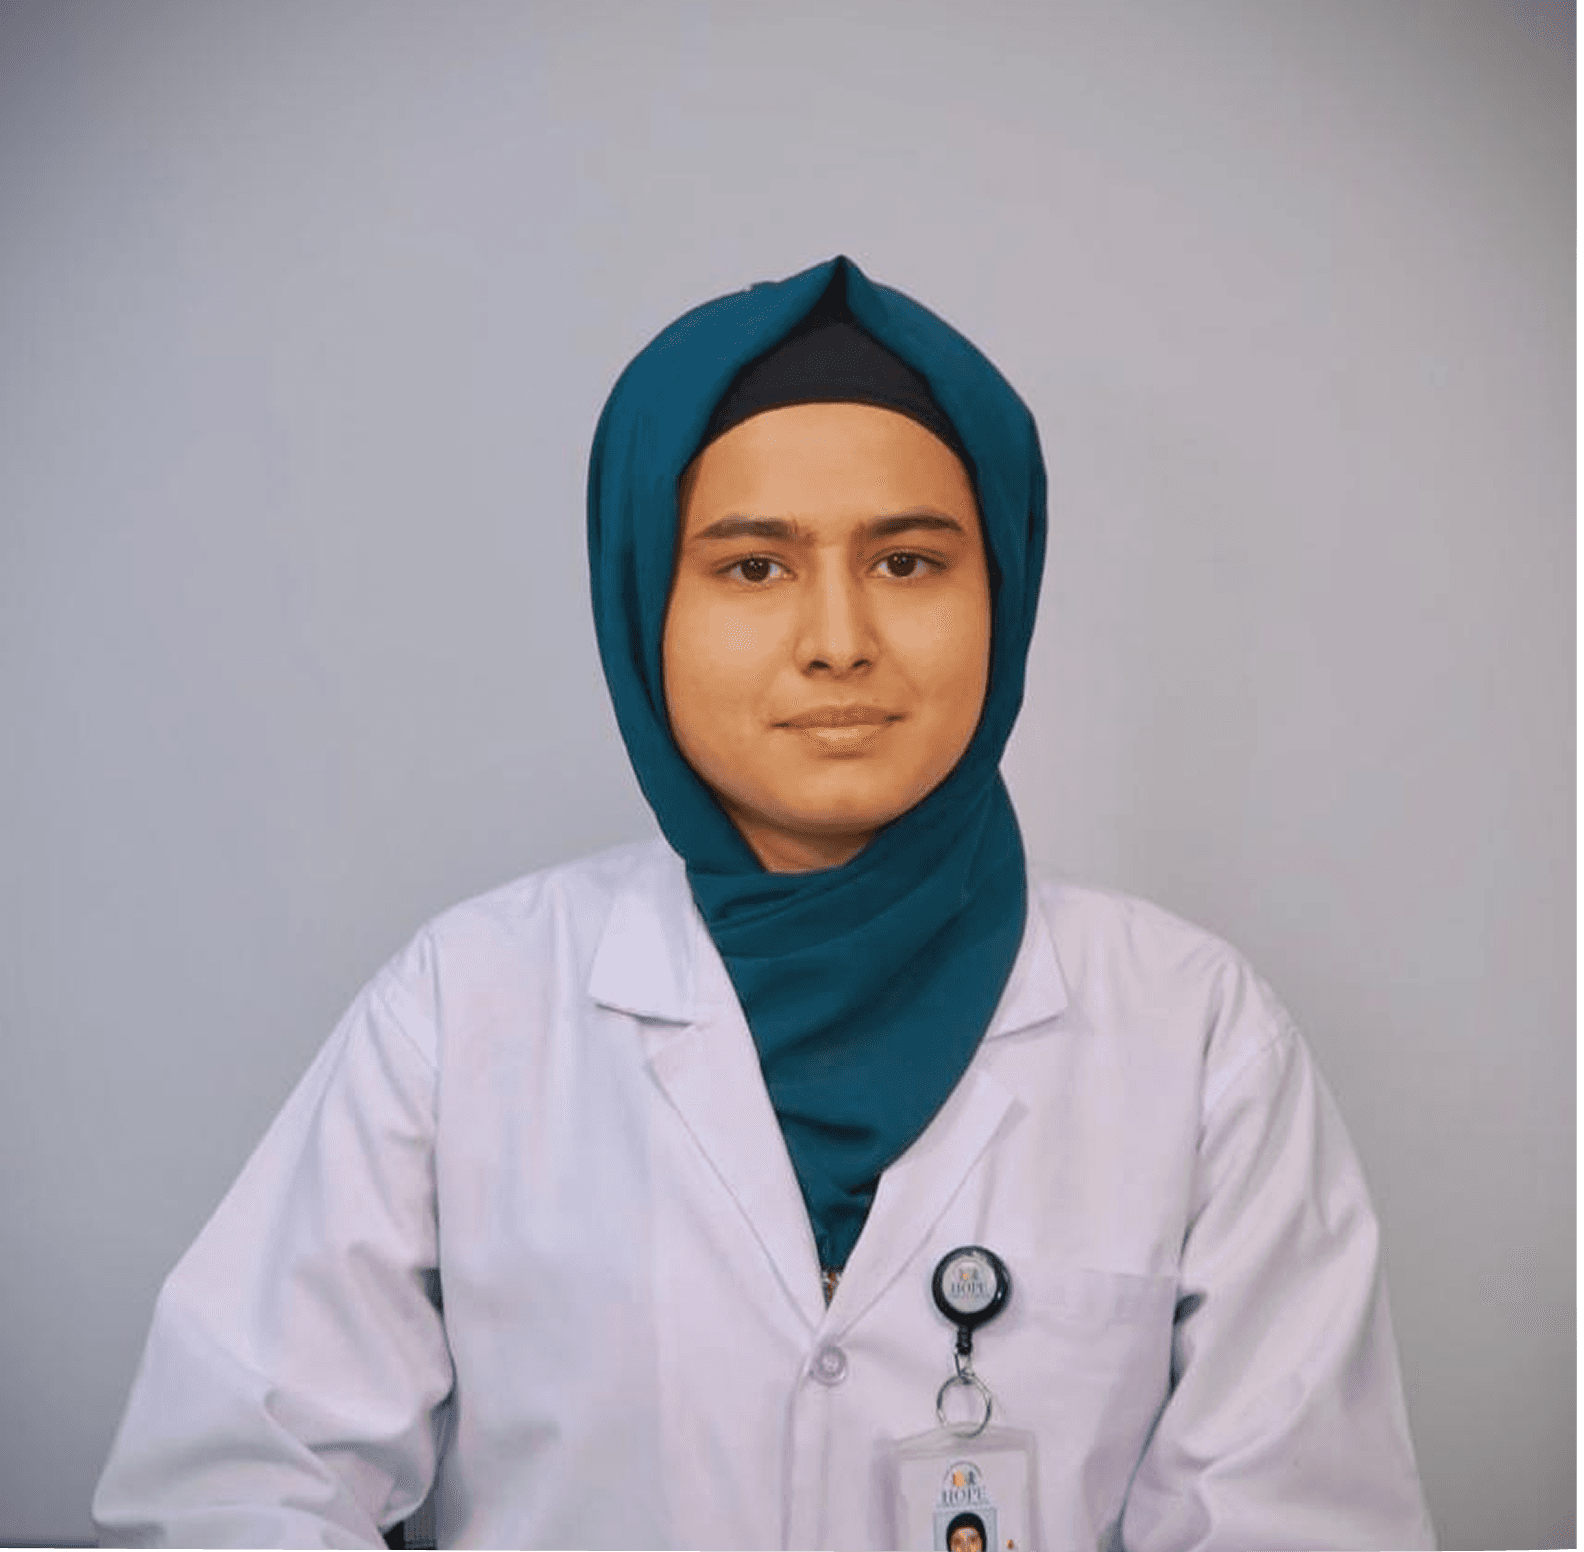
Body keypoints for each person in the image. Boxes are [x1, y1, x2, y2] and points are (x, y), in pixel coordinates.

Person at [92, 255, 1436, 1550]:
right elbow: (238, 1481)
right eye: (753, 566)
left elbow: (1302, 1523)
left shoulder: (1198, 1036)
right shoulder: (468, 1008)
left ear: (1005, 591)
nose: (840, 636)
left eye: (909, 561)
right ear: (644, 606)